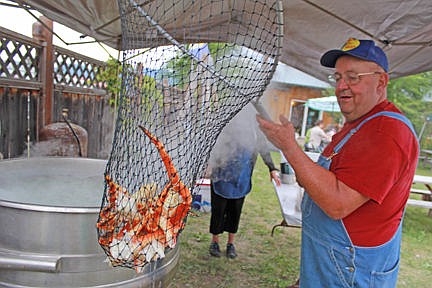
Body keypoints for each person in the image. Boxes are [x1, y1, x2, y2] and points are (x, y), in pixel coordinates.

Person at [256, 38, 419, 287]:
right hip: (335, 264)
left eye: (353, 77)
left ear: (381, 81)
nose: (342, 86)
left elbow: (336, 203)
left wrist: (288, 146)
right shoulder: (358, 125)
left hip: (352, 270)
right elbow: (323, 181)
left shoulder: (386, 132)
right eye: (338, 77)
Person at [207, 104, 280, 259]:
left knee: (235, 212)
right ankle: (215, 242)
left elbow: (263, 149)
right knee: (218, 211)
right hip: (221, 174)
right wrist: (210, 165)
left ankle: (230, 244)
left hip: (242, 176)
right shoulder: (226, 125)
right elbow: (214, 145)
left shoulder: (255, 130)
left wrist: (272, 168)